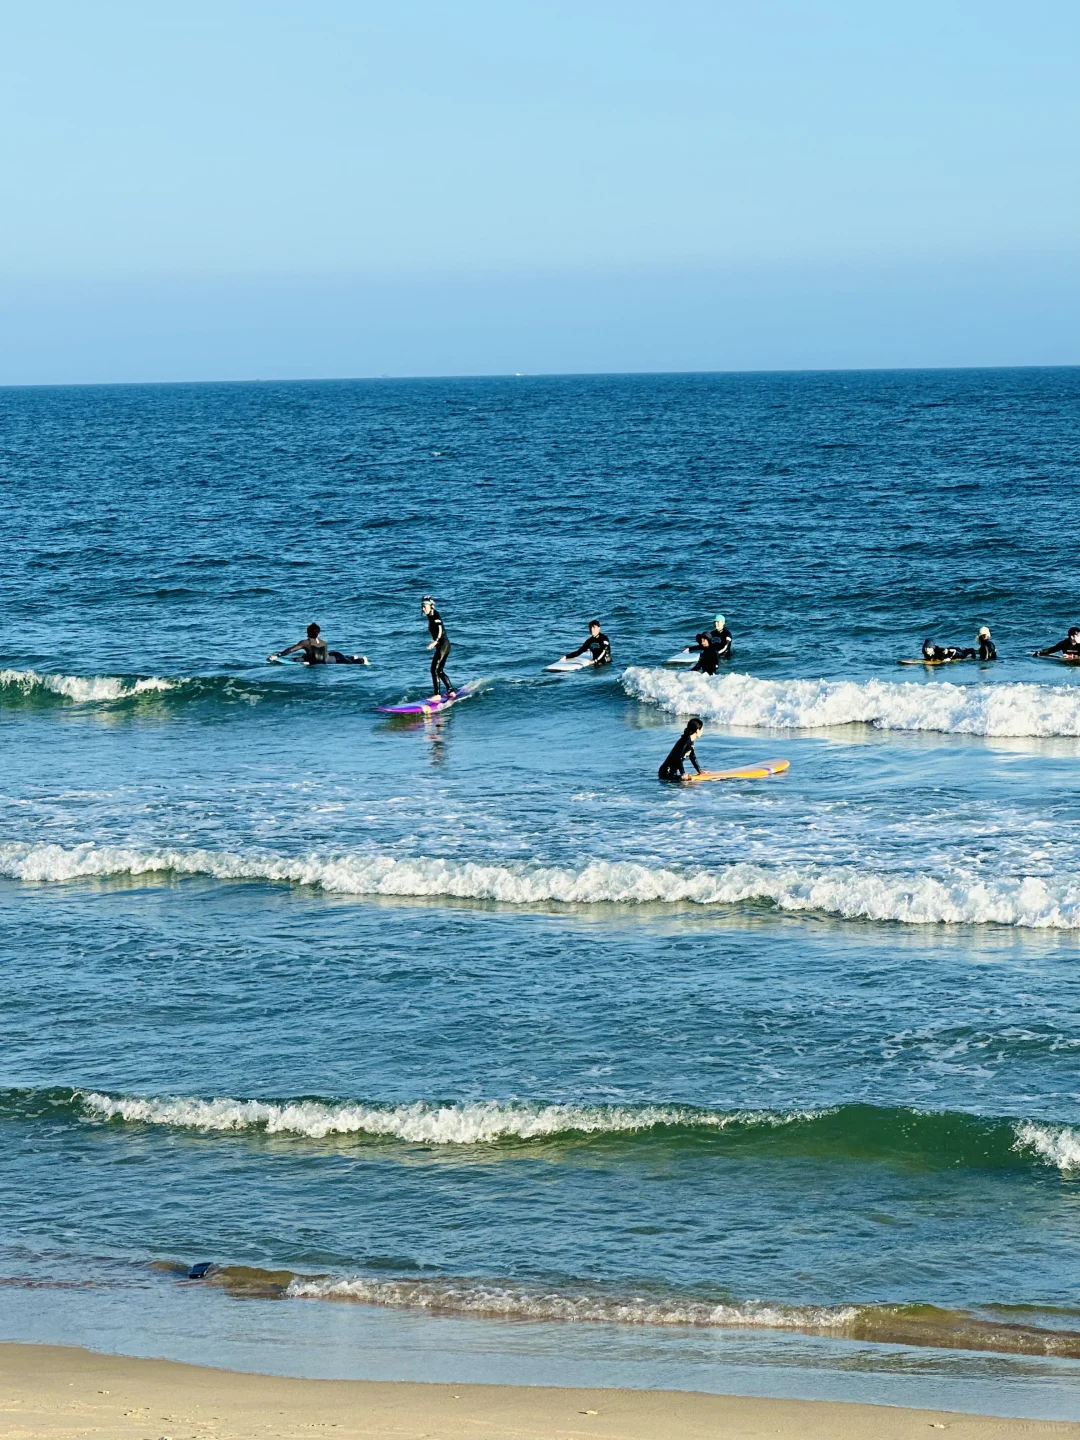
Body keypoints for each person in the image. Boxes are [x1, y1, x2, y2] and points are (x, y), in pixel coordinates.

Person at [269, 623, 367, 665]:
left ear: (307, 633)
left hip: (333, 658)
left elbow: (291, 650)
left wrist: (278, 655)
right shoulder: (324, 643)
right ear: (319, 633)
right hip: (333, 658)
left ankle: (360, 659)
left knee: (351, 663)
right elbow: (323, 658)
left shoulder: (305, 642)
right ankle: (355, 658)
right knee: (347, 661)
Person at [422, 595, 455, 697]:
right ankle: (451, 691)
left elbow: (440, 629)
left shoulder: (435, 615)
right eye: (422, 606)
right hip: (444, 645)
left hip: (443, 645)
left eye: (425, 606)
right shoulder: (430, 616)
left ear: (431, 606)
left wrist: (435, 641)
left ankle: (437, 695)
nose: (423, 609)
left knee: (434, 670)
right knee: (439, 671)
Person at [658, 718, 705, 782]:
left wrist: (700, 771)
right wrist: (683, 773)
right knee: (690, 782)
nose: (703, 732)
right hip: (666, 773)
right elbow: (678, 758)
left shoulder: (690, 741)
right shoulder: (685, 742)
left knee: (691, 783)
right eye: (702, 729)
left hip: (671, 772)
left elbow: (692, 757)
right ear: (697, 730)